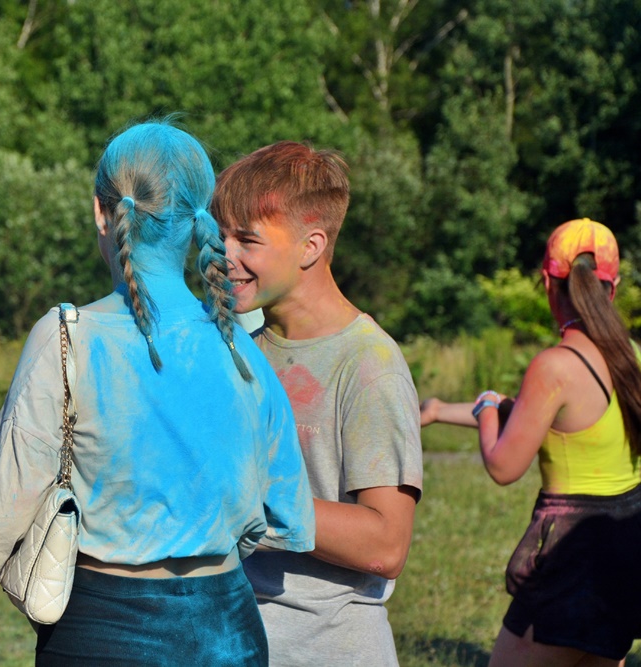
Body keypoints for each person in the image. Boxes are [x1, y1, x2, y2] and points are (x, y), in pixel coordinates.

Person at [0, 120, 315, 666]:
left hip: (103, 627)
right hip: (229, 626)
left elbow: (2, 504)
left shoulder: (67, 337)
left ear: (101, 212)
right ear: (202, 220)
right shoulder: (239, 347)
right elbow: (288, 515)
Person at [212, 141, 424, 666]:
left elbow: (386, 544)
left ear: (311, 246)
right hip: (239, 640)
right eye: (220, 236)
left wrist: (244, 496)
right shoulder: (239, 352)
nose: (224, 255)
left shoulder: (369, 364)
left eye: (246, 239)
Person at [421, 218, 641, 666]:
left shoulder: (555, 366)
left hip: (572, 559)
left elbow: (504, 465)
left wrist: (486, 408)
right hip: (626, 552)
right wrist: (441, 410)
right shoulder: (631, 357)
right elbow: (532, 417)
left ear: (547, 283)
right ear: (613, 288)